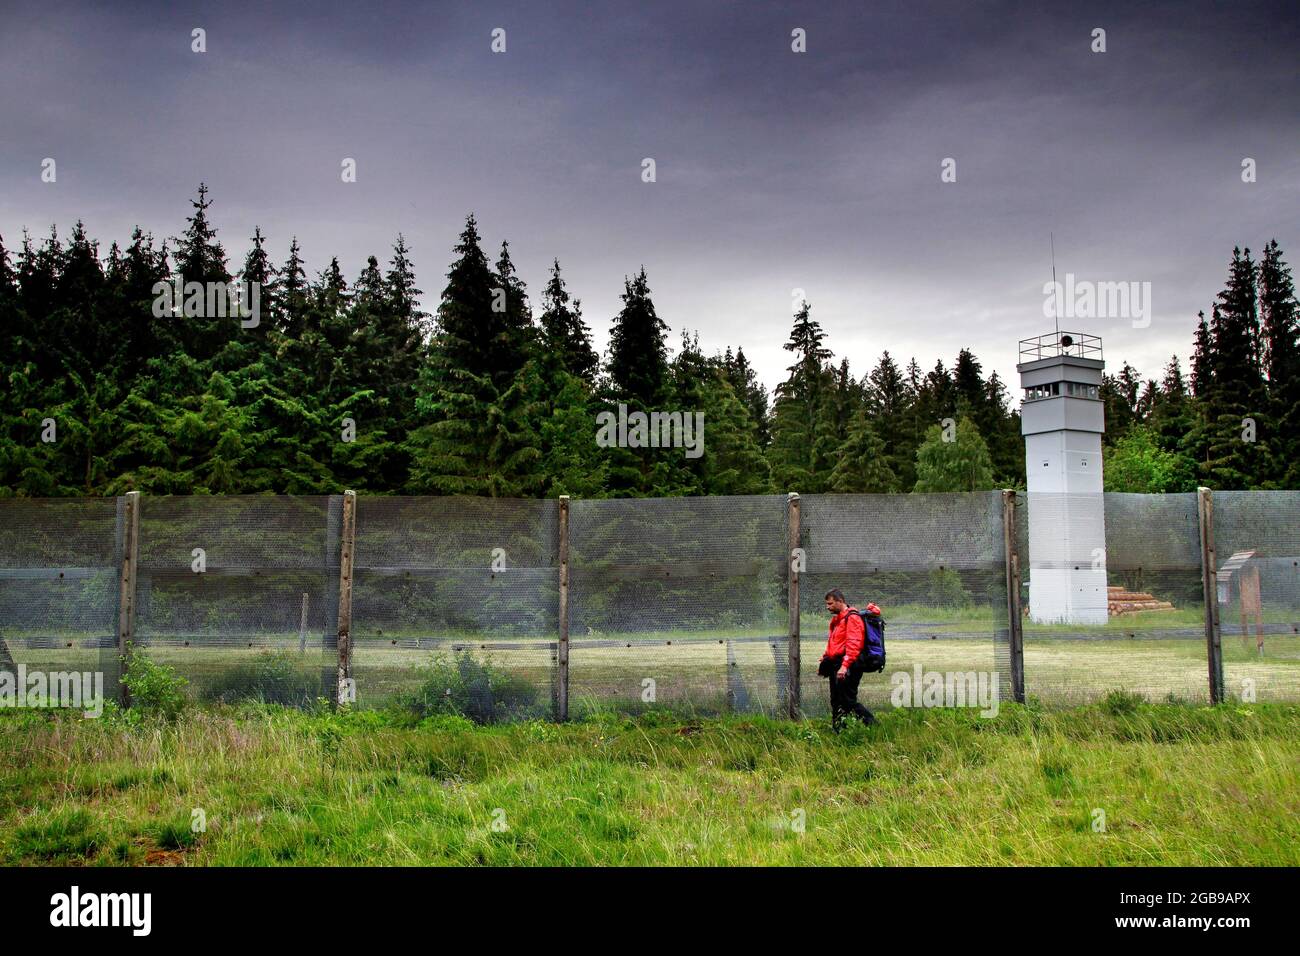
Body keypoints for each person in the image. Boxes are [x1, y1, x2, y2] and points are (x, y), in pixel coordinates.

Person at [818, 588, 877, 730]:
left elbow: (854, 643)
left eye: (830, 604)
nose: (828, 607)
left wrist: (845, 666)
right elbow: (834, 642)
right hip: (836, 664)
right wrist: (826, 657)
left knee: (847, 701)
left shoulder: (852, 618)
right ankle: (838, 730)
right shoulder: (838, 619)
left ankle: (873, 724)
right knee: (836, 701)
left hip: (849, 665)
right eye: (827, 604)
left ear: (840, 601)